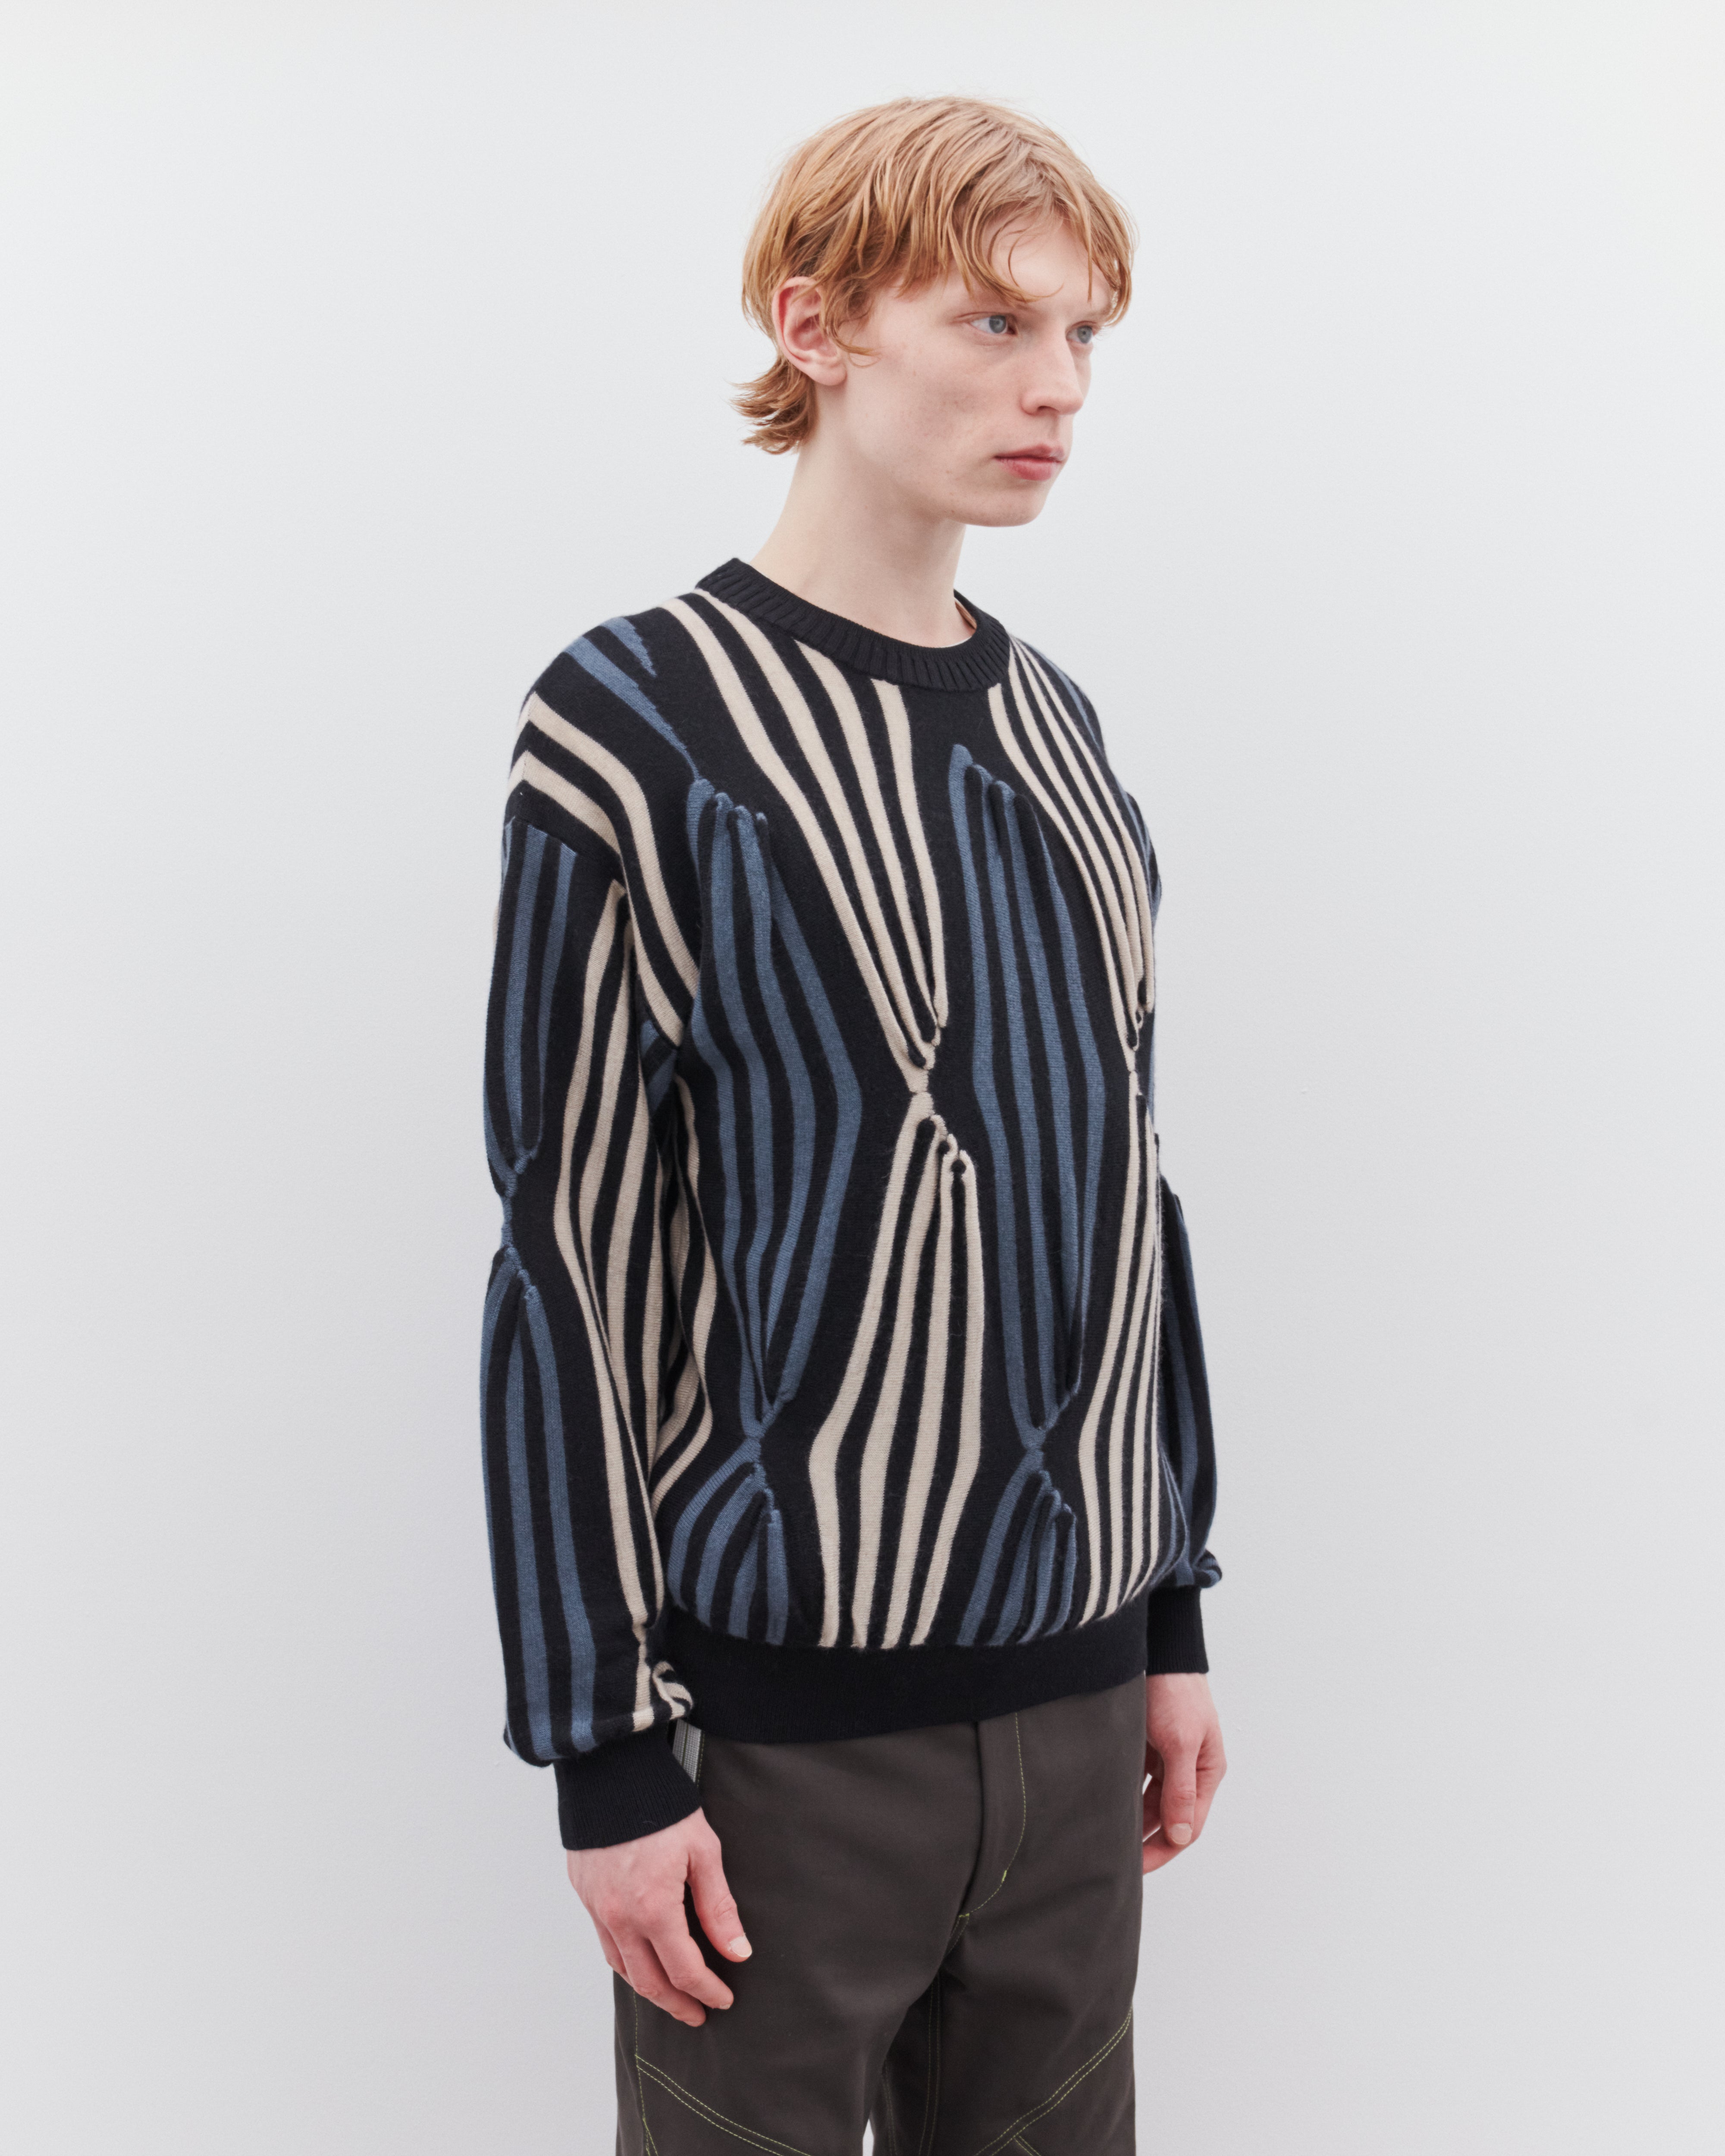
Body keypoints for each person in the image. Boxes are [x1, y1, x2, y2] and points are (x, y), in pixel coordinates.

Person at [479, 93, 1225, 2156]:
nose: (1057, 388)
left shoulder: (1058, 728)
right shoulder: (636, 723)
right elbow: (569, 1254)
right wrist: (604, 1751)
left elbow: (1122, 1183)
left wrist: (1167, 1614)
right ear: (813, 325)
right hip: (779, 1753)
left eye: (1081, 334)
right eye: (994, 323)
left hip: (1079, 1722)